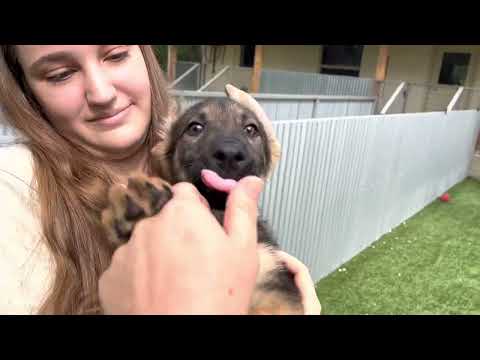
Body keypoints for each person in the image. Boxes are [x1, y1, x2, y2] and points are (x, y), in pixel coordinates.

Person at [0, 45, 321, 315]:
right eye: (60, 74)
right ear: (28, 95)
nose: (101, 93)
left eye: (115, 54)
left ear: (144, 54)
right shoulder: (12, 189)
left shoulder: (182, 167)